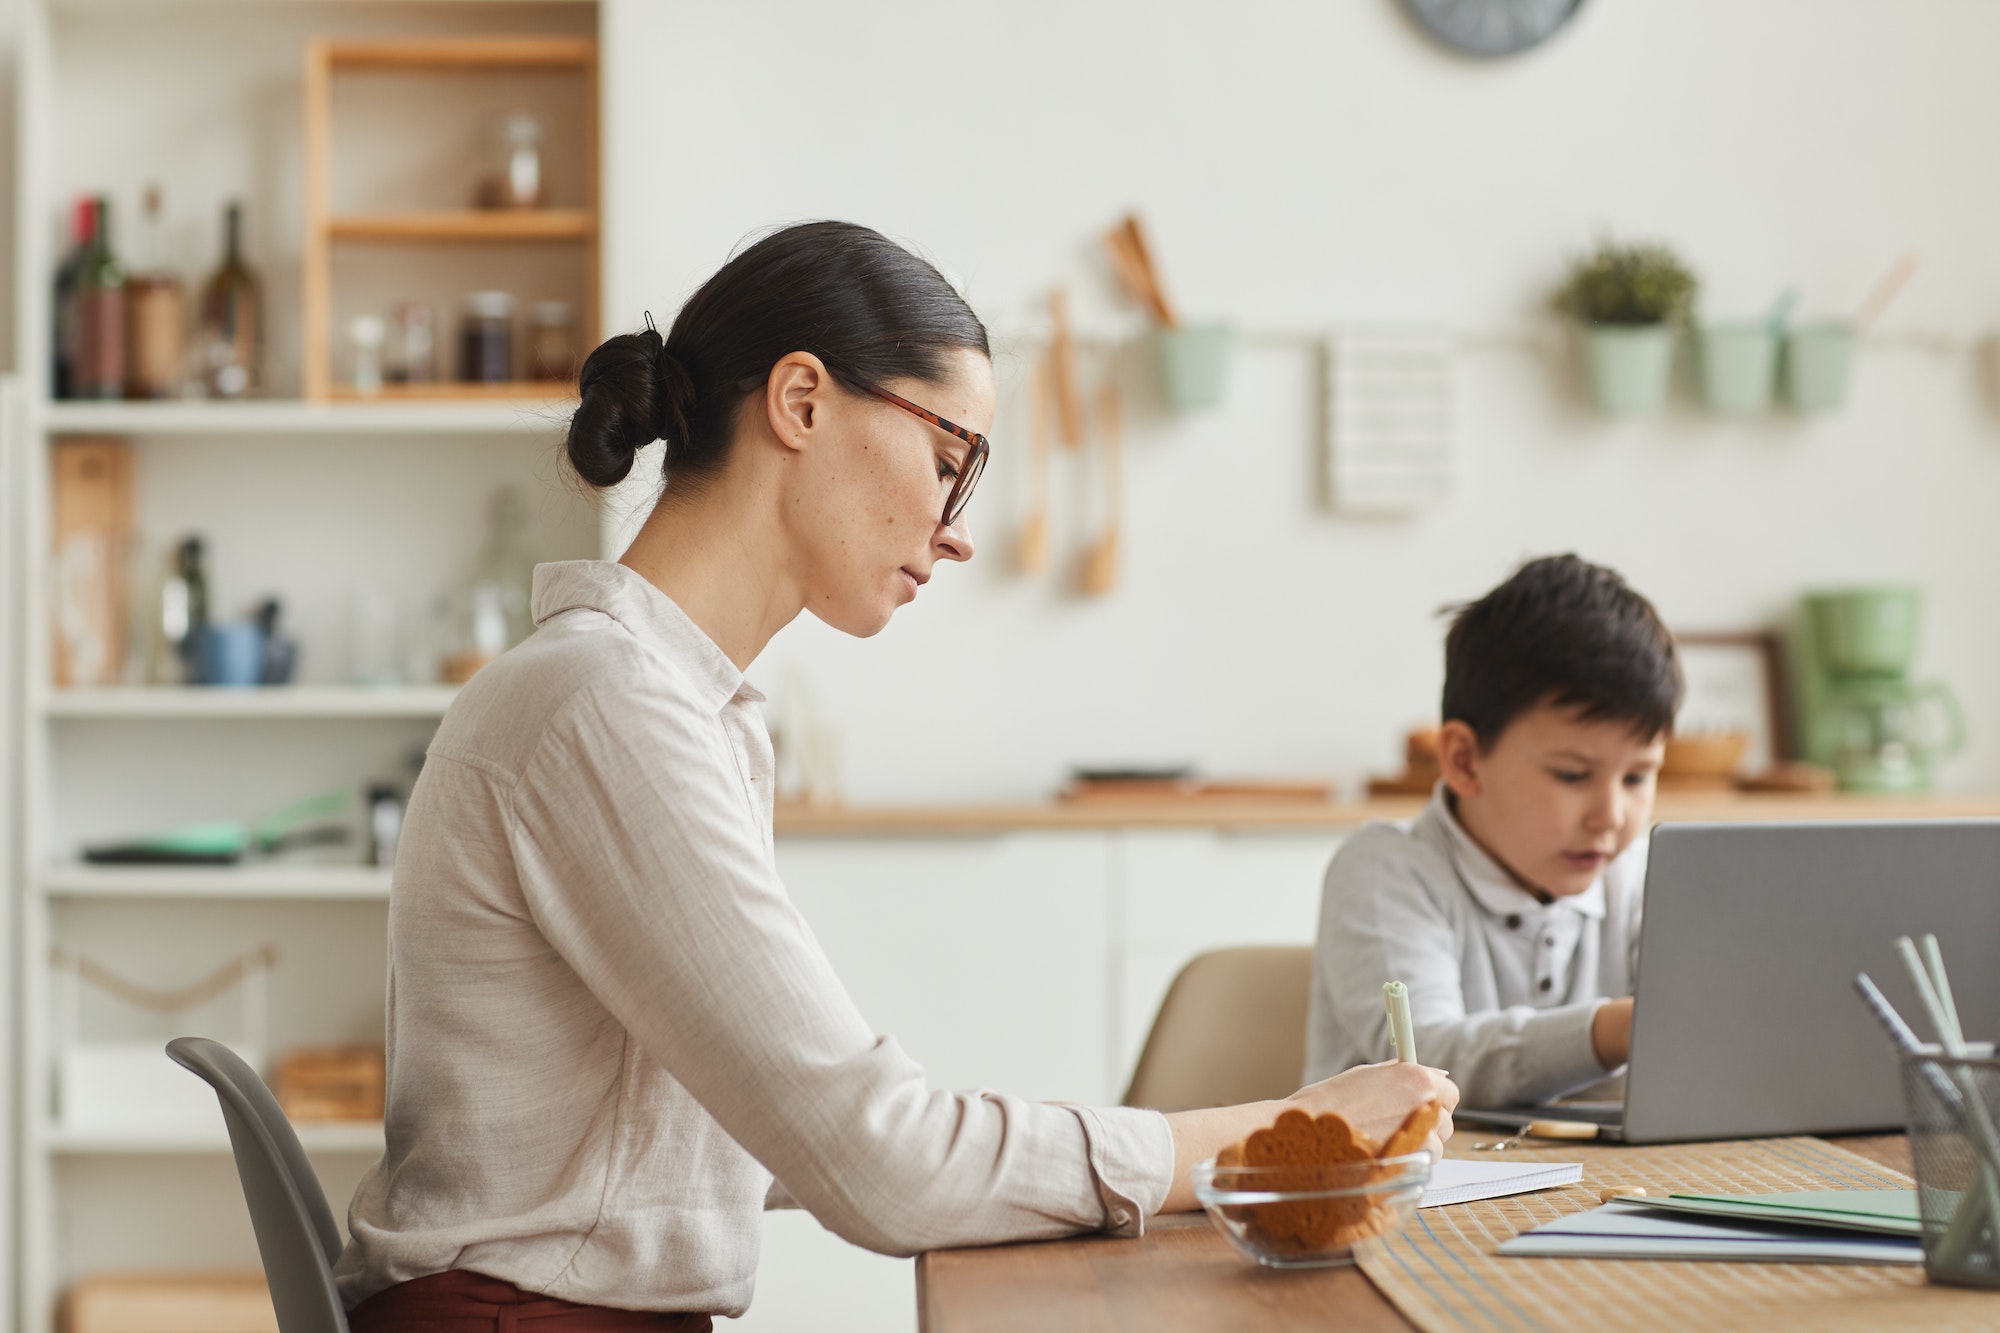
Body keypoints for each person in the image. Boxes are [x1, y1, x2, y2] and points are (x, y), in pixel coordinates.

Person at [335, 221, 1457, 1330]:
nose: (956, 532)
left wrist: (935, 1137)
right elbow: (882, 1168)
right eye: (947, 461)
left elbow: (799, 1133)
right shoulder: (606, 708)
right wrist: (1286, 1131)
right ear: (802, 400)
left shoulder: (669, 704)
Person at [1304, 553, 1682, 1110]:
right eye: (1573, 774)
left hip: (1592, 1186)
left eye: (1638, 776)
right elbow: (1427, 1062)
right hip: (1401, 1191)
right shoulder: (1384, 872)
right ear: (1465, 760)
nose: (1611, 815)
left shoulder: (1636, 876)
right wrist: (1615, 1029)